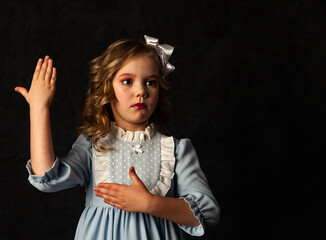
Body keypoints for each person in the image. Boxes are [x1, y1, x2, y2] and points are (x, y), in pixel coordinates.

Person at [15, 35, 220, 239]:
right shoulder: (94, 146)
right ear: (107, 88)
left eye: (151, 82)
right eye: (127, 81)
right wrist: (39, 109)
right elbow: (47, 177)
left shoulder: (176, 150)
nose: (141, 91)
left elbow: (207, 213)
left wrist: (150, 203)